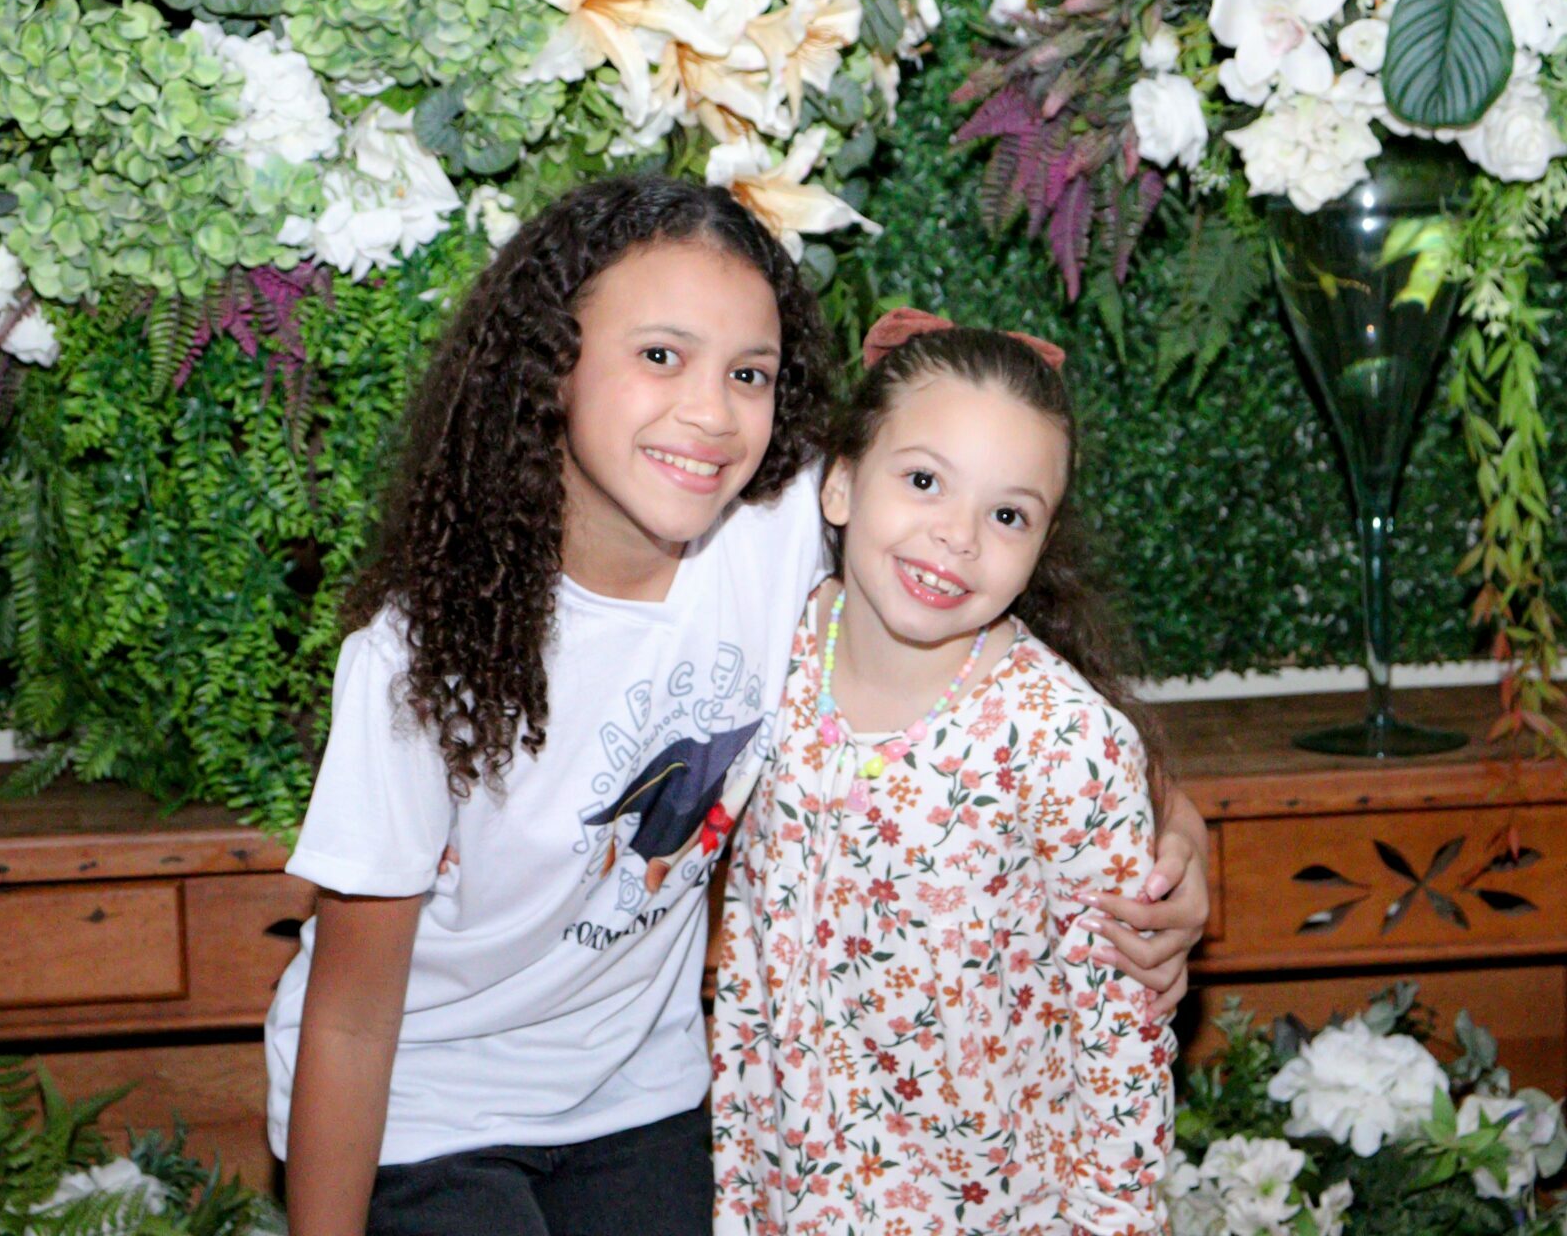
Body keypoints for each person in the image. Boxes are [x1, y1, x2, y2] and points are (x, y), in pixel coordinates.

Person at [265, 178, 1206, 1236]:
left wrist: (1181, 842)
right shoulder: (420, 660)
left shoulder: (785, 526)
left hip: (641, 1096)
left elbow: (1059, 717)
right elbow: (350, 1022)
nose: (710, 413)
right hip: (424, 1105)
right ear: (549, 362)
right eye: (661, 355)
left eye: (748, 373)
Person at [711, 311, 1176, 1235]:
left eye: (1008, 515)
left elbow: (1122, 1038)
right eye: (924, 481)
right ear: (840, 484)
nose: (959, 537)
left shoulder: (1063, 742)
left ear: (1042, 544)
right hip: (781, 1197)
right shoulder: (770, 652)